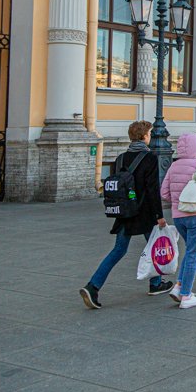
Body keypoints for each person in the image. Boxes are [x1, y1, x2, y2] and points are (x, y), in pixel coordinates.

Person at [80, 120, 172, 310]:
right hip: (145, 213)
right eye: (150, 134)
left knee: (118, 251)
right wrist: (159, 215)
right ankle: (156, 284)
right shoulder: (150, 159)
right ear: (145, 136)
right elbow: (152, 189)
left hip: (125, 212)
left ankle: (93, 286)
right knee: (154, 247)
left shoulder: (120, 158)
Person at [159, 133, 196, 309]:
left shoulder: (173, 166)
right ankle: (186, 296)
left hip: (178, 216)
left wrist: (176, 203)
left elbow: (164, 193)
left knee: (189, 250)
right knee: (193, 253)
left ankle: (178, 287)